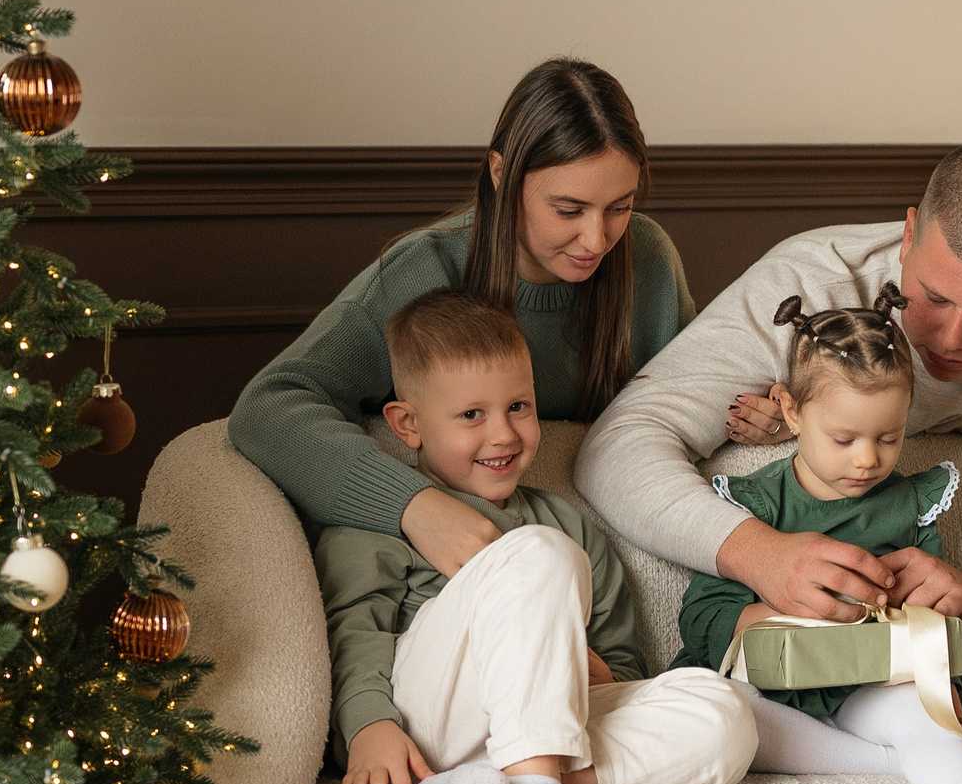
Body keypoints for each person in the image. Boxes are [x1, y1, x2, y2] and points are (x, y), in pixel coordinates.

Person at [578, 142, 962, 658]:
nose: (952, 338)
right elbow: (615, 449)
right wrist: (759, 554)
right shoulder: (812, 285)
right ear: (908, 237)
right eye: (933, 298)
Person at [319, 289, 758, 784]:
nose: (503, 434)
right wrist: (368, 726)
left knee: (724, 716)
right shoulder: (379, 521)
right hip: (424, 720)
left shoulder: (567, 521)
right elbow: (355, 635)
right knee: (537, 553)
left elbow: (621, 665)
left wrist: (598, 668)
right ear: (408, 425)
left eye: (518, 407)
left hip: (549, 725)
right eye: (472, 415)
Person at [230, 58, 693, 580]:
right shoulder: (424, 268)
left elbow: (686, 407)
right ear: (501, 174)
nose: (597, 240)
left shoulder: (648, 259)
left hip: (590, 567)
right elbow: (269, 405)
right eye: (568, 210)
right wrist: (415, 506)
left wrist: (748, 414)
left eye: (620, 207)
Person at [673, 287, 962, 784]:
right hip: (773, 692)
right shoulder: (756, 503)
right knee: (721, 716)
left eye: (887, 437)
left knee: (917, 712)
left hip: (868, 685)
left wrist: (939, 655)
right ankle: (899, 763)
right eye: (843, 439)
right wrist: (762, 615)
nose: (867, 459)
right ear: (791, 412)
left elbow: (931, 627)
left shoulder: (910, 503)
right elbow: (702, 615)